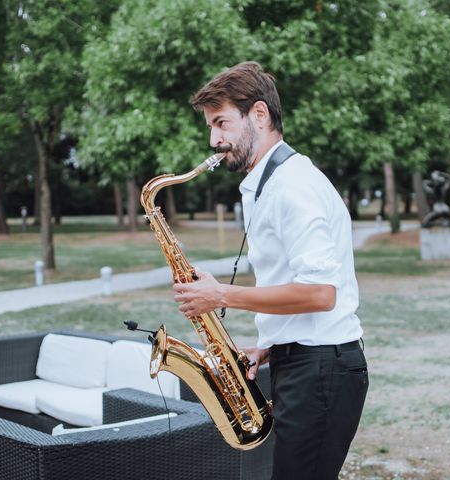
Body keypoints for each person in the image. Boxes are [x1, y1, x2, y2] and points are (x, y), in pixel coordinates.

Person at [173, 62, 368, 480]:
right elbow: (298, 286)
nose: (214, 139)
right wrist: (268, 346)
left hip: (321, 372)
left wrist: (222, 296)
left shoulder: (292, 187)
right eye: (211, 126)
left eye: (221, 122)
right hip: (305, 364)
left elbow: (321, 293)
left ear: (259, 115)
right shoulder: (270, 184)